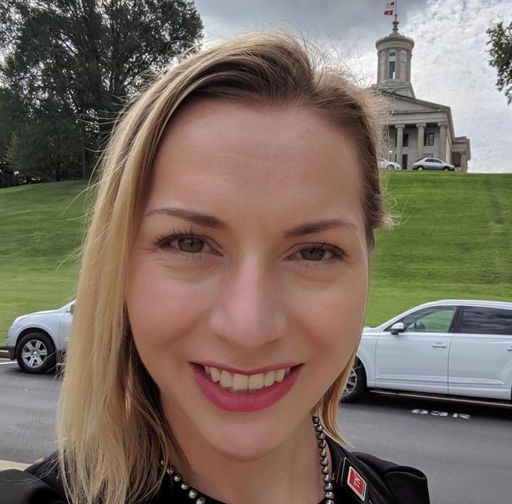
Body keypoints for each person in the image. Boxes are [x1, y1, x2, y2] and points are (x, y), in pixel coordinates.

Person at [0, 33, 430, 504]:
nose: (249, 330)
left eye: (314, 252)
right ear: (119, 268)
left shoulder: (396, 494)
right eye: (189, 243)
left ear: (367, 261)